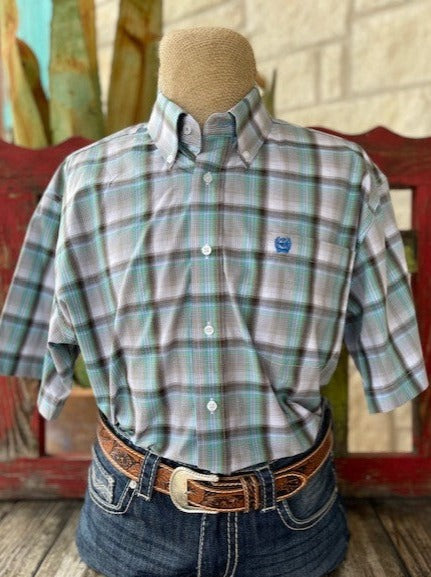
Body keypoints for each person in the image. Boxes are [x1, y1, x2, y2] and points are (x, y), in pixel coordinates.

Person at [0, 26, 428, 577]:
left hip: (294, 520)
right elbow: (37, 342)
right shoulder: (84, 180)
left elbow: (391, 357)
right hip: (129, 515)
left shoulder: (345, 177)